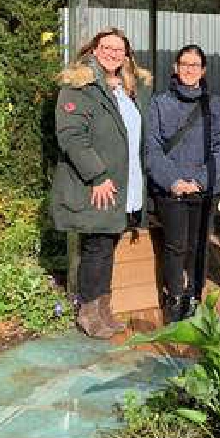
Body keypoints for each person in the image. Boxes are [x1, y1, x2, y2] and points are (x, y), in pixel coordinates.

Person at [51, 27, 152, 338]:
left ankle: (103, 309)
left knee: (107, 245)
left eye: (119, 49)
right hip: (97, 183)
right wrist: (97, 175)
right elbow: (72, 136)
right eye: (106, 47)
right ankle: (89, 313)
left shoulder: (125, 88)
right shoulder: (80, 85)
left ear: (126, 55)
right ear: (94, 50)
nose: (113, 53)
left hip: (123, 183)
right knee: (96, 246)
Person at [146, 45, 220, 323]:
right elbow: (152, 148)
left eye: (195, 65)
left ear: (203, 71)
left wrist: (201, 180)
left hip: (203, 188)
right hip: (170, 190)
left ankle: (194, 294)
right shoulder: (159, 103)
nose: (189, 69)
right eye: (184, 64)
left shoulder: (215, 104)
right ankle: (173, 296)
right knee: (174, 245)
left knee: (198, 245)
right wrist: (172, 181)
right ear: (175, 67)